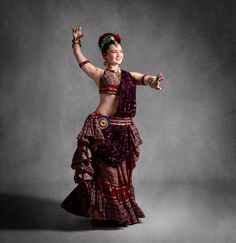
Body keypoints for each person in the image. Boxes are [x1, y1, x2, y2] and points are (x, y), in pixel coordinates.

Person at [61, 26, 164, 227]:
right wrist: (75, 42)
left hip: (124, 129)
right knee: (106, 172)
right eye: (114, 52)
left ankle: (117, 213)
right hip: (103, 127)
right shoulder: (100, 74)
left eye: (121, 51)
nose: (119, 54)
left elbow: (145, 79)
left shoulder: (128, 76)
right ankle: (101, 214)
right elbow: (81, 61)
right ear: (105, 55)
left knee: (122, 173)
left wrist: (154, 81)